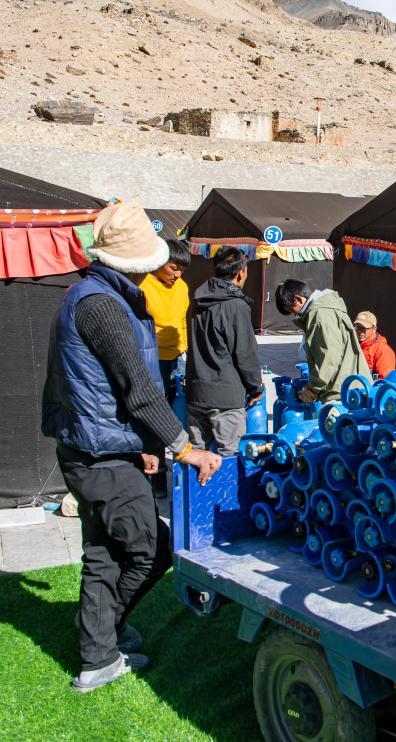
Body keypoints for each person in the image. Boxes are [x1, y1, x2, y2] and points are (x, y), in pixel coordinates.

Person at [41, 201, 221, 693]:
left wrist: (143, 444)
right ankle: (101, 634)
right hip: (98, 454)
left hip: (95, 447)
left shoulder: (93, 294)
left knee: (104, 553)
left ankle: (98, 653)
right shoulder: (102, 306)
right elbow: (138, 390)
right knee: (152, 548)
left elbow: (108, 390)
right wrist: (184, 448)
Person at [186, 247, 263, 457]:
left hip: (197, 391)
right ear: (240, 273)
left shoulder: (198, 301)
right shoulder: (235, 305)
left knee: (198, 457)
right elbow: (245, 353)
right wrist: (256, 387)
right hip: (226, 397)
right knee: (230, 457)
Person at [274, 279, 369, 402]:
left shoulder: (319, 315)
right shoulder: (327, 308)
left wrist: (312, 390)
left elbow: (328, 358)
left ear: (298, 299)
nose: (294, 315)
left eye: (292, 310)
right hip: (350, 387)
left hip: (341, 392)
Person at [139, 240, 191, 403]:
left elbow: (182, 319)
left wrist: (184, 347)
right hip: (152, 357)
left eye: (182, 270)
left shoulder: (182, 287)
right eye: (174, 268)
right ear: (159, 262)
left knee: (177, 403)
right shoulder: (141, 285)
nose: (178, 275)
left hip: (178, 357)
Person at [354, 310, 396, 379]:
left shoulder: (383, 350)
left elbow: (385, 381)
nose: (360, 332)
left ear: (374, 329)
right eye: (358, 327)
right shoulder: (354, 345)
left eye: (364, 328)